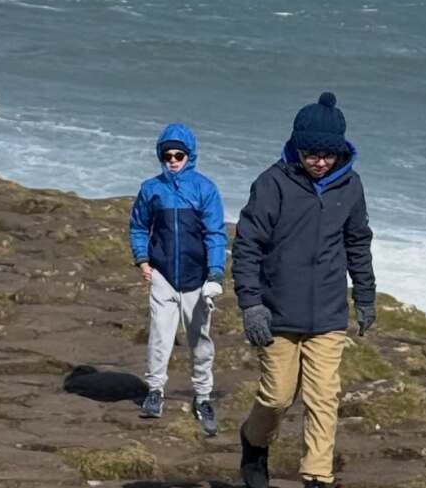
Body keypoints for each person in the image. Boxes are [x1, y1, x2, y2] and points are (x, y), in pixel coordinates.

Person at [232, 92, 376, 488]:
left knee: (323, 398)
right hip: (277, 313)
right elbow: (247, 246)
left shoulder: (351, 186)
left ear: (340, 151)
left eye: (327, 154)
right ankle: (253, 441)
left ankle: (317, 476)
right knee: (277, 397)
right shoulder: (272, 183)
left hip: (328, 315)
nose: (319, 161)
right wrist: (251, 305)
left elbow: (358, 243)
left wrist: (364, 296)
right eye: (311, 153)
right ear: (297, 147)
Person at [128, 123, 227, 436]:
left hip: (197, 279)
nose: (173, 160)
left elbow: (215, 234)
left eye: (178, 154)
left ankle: (203, 397)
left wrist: (215, 273)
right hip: (163, 277)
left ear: (189, 155)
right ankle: (155, 392)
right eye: (167, 155)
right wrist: (143, 260)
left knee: (200, 341)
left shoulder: (205, 189)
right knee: (160, 336)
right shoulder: (150, 189)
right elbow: (139, 227)